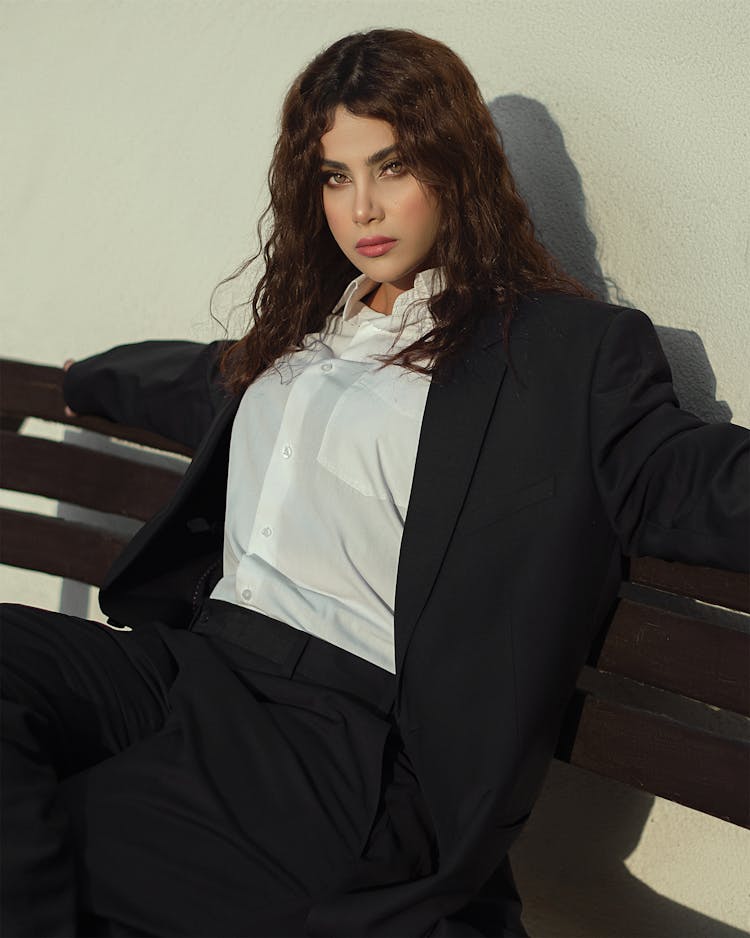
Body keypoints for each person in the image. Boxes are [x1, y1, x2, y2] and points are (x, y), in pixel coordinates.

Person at [1, 27, 748, 938]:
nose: (363, 208)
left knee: (88, 850)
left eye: (392, 168)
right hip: (193, 666)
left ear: (456, 166)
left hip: (337, 734)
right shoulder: (309, 335)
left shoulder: (556, 359)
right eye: (335, 176)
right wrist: (84, 378)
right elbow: (193, 382)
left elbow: (687, 479)